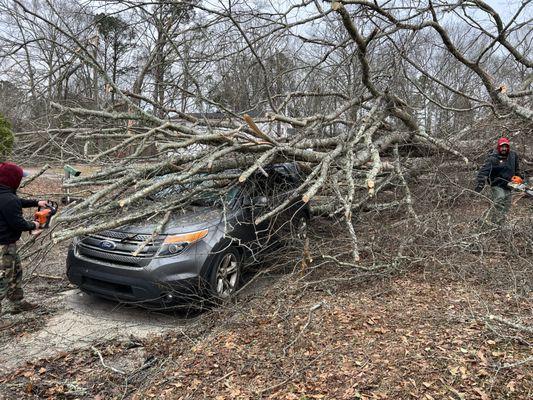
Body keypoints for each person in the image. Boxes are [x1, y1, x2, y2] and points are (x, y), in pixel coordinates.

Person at [0, 162, 47, 328]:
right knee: (3, 279)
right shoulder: (8, 199)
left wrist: (36, 202)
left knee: (16, 273)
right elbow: (18, 223)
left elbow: (16, 202)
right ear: (12, 179)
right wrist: (34, 225)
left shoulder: (5, 194)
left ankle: (16, 303)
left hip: (7, 244)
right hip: (3, 246)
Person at [475, 137, 521, 226]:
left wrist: (519, 177)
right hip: (496, 183)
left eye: (506, 146)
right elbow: (484, 171)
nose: (504, 148)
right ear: (498, 147)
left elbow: (517, 169)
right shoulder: (493, 157)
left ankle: (500, 224)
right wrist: (481, 183)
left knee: (507, 204)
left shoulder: (513, 155)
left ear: (508, 147)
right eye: (502, 146)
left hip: (509, 184)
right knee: (500, 199)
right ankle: (495, 224)